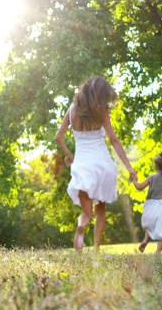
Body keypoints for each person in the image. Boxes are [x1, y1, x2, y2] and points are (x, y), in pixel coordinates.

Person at [55, 76, 137, 254]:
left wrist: (69, 155)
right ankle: (96, 251)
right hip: (102, 164)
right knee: (100, 212)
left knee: (87, 213)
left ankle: (81, 225)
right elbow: (114, 140)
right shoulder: (101, 112)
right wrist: (129, 166)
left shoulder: (72, 111)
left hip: (83, 165)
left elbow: (58, 137)